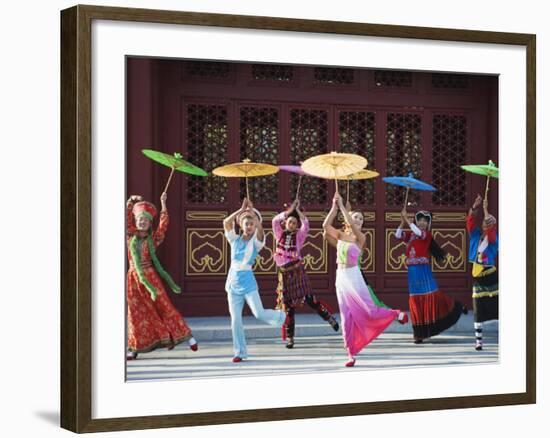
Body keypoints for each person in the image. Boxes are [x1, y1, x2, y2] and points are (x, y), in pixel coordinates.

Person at [323, 192, 408, 367]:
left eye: (361, 219)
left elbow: (353, 227)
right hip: (341, 278)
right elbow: (325, 225)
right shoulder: (340, 235)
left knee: (369, 311)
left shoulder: (360, 238)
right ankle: (350, 353)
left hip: (354, 277)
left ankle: (395, 314)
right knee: (346, 318)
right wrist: (334, 206)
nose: (358, 221)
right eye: (356, 217)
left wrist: (343, 210)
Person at [126, 192, 198, 360]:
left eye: (145, 220)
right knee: (135, 313)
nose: (142, 222)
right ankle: (133, 347)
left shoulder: (154, 239)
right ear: (135, 222)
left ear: (149, 223)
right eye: (139, 220)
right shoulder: (130, 237)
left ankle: (188, 337)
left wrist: (163, 203)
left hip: (150, 277)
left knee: (164, 306)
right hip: (133, 279)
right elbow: (125, 220)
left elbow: (164, 225)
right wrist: (130, 202)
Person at [223, 197, 287, 362]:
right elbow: (226, 222)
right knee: (235, 320)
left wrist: (252, 213)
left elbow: (261, 231)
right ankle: (239, 352)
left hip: (248, 282)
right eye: (247, 223)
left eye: (252, 223)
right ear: (241, 225)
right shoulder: (234, 239)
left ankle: (281, 317)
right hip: (232, 283)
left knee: (258, 313)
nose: (250, 226)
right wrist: (241, 210)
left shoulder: (257, 242)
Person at [272, 198, 339, 349]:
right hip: (284, 274)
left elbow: (306, 225)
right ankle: (290, 338)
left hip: (297, 271)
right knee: (288, 306)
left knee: (310, 300)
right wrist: (290, 210)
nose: (292, 224)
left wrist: (299, 213)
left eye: (294, 223)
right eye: (290, 222)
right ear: (286, 223)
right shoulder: (279, 233)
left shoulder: (299, 237)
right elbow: (275, 221)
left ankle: (328, 317)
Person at [396, 206, 466, 344]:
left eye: (425, 221)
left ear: (428, 224)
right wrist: (402, 222)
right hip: (412, 273)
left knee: (433, 296)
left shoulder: (426, 235)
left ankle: (456, 307)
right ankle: (419, 334)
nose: (422, 223)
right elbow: (397, 235)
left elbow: (417, 231)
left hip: (423, 271)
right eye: (420, 220)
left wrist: (408, 221)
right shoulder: (411, 236)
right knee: (415, 301)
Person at [466, 194, 499, 350]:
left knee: (497, 307)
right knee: (478, 309)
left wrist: (486, 210)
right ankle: (479, 341)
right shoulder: (476, 235)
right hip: (478, 278)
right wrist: (476, 206)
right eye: (485, 223)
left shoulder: (494, 239)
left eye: (489, 223)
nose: (486, 225)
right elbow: (470, 222)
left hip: (490, 277)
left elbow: (491, 234)